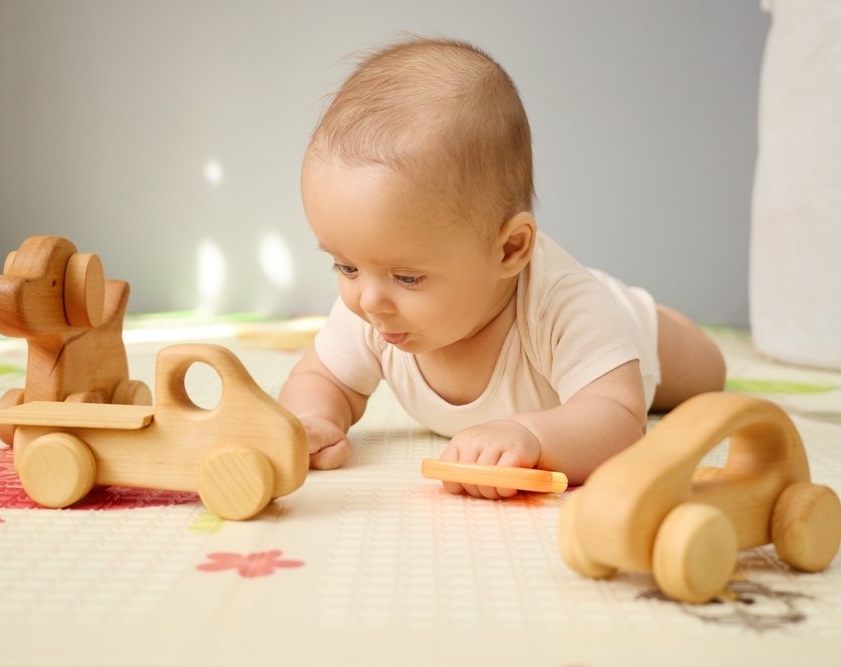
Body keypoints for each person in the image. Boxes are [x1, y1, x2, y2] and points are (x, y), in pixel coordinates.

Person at [278, 37, 726, 499]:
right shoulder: (374, 308)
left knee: (708, 373)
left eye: (407, 277)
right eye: (345, 266)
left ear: (510, 249)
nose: (367, 301)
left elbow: (621, 418)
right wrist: (314, 420)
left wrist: (534, 437)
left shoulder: (563, 308)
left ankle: (669, 323)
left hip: (632, 330)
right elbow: (322, 378)